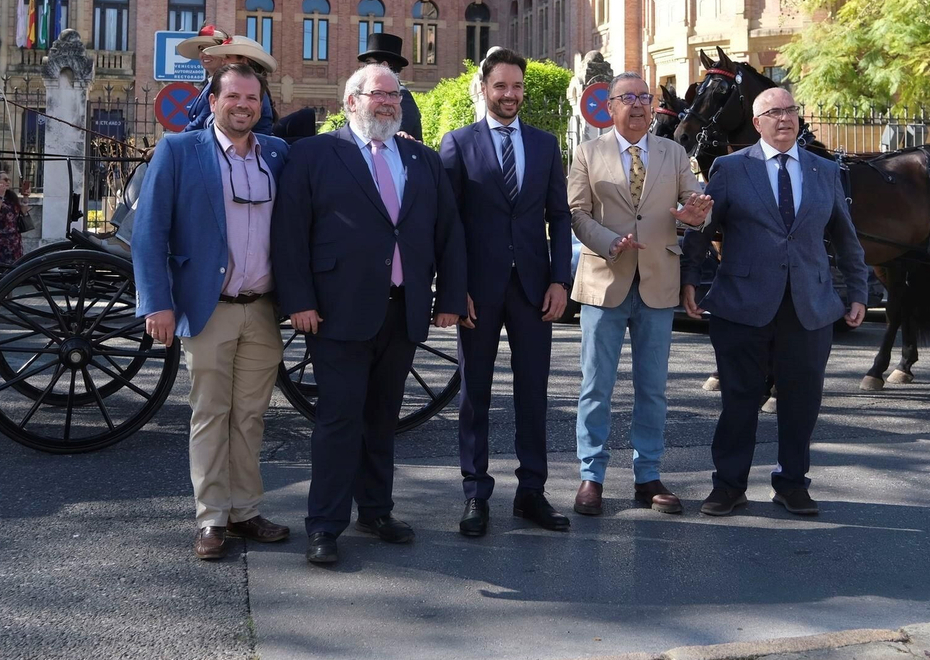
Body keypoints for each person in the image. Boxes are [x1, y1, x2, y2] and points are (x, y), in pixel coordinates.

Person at [273, 63, 465, 567]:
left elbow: (448, 234)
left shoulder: (421, 160)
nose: (388, 102)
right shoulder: (314, 155)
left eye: (394, 95)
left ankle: (376, 510)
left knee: (382, 418)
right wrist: (299, 301)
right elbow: (290, 234)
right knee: (338, 420)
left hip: (402, 311)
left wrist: (448, 299)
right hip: (336, 313)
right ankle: (324, 525)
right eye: (379, 94)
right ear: (351, 100)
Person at [681, 86, 866, 517]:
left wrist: (857, 290)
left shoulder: (824, 170)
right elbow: (702, 228)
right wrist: (688, 280)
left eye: (791, 111)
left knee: (802, 402)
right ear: (758, 122)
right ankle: (728, 486)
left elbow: (846, 238)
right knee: (739, 402)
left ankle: (791, 484)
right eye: (774, 112)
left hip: (809, 307)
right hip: (742, 306)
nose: (784, 119)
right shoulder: (729, 168)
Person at [133, 62, 293, 561]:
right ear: (215, 100)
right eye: (234, 97)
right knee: (210, 414)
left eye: (252, 98)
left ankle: (245, 510)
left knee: (251, 416)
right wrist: (156, 302)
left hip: (263, 309)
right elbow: (149, 231)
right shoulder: (181, 150)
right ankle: (211, 519)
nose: (244, 105)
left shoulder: (278, 154)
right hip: (208, 308)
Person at [439, 48, 573, 537]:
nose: (510, 95)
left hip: (536, 290)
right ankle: (476, 494)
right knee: (475, 394)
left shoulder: (544, 145)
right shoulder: (457, 144)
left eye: (517, 87)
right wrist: (454, 291)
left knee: (533, 392)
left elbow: (560, 217)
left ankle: (531, 492)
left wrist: (561, 281)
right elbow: (446, 226)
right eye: (501, 86)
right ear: (484, 87)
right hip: (478, 292)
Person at [567, 72, 712, 517]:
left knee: (653, 389)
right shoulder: (587, 154)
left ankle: (647, 475)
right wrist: (609, 242)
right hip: (604, 280)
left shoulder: (674, 152)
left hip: (658, 282)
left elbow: (695, 207)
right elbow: (576, 212)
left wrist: (694, 215)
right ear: (609, 107)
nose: (637, 105)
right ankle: (591, 477)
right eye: (626, 98)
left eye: (644, 98)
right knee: (597, 387)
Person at [175, 26, 279, 135]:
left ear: (244, 60)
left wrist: (175, 142)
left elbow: (204, 123)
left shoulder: (256, 89)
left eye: (227, 57)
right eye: (232, 96)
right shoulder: (212, 84)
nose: (223, 61)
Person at [359, 32, 423, 142]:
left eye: (368, 63)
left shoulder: (402, 95)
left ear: (384, 65)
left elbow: (394, 138)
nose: (364, 68)